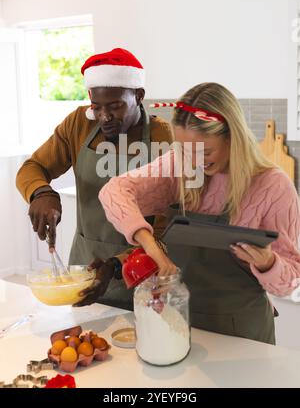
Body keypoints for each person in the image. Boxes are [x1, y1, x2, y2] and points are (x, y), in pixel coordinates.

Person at [99, 82, 300, 344]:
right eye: (186, 150)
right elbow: (114, 191)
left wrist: (267, 263)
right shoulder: (181, 165)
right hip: (178, 318)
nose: (195, 161)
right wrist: (150, 246)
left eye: (205, 151)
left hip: (242, 330)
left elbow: (290, 280)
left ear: (232, 136)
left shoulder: (272, 185)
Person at [16, 48, 173, 310]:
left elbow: (168, 227)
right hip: (84, 267)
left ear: (139, 95)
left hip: (141, 272)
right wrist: (41, 193)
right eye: (96, 107)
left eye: (115, 106)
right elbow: (34, 167)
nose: (104, 117)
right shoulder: (79, 125)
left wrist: (116, 265)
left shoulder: (163, 137)